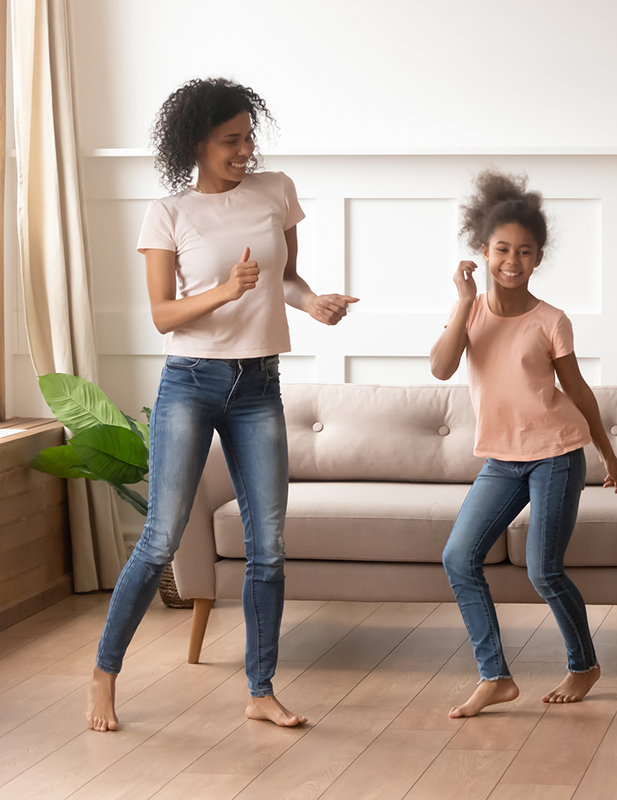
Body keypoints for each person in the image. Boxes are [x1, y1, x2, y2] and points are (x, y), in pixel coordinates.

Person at [86, 78, 358, 733]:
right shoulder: (168, 212)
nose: (245, 150)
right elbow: (161, 315)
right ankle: (104, 674)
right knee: (158, 541)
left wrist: (312, 303)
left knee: (269, 548)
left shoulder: (275, 191)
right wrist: (224, 290)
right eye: (230, 141)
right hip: (191, 383)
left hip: (258, 386)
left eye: (248, 137)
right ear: (196, 143)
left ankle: (260, 690)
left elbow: (286, 278)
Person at [431, 170, 617, 718]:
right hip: (502, 459)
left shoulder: (551, 321)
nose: (511, 261)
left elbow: (580, 393)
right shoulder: (469, 313)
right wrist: (462, 302)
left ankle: (584, 663)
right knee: (458, 558)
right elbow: (442, 368)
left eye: (524, 251)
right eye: (501, 249)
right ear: (483, 251)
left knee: (544, 570)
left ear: (538, 257)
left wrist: (607, 455)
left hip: (557, 455)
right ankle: (494, 676)